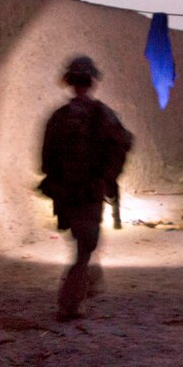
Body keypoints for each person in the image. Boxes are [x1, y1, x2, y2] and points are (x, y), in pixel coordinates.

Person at [39, 55, 133, 321]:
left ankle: (89, 283)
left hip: (68, 193)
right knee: (85, 246)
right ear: (91, 82)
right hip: (86, 192)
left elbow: (46, 160)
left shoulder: (59, 117)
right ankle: (70, 302)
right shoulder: (101, 115)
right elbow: (122, 144)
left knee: (84, 242)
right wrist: (105, 178)